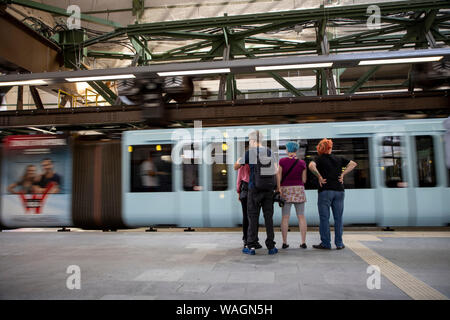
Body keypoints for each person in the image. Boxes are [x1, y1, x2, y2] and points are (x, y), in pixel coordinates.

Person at [234, 130, 278, 255]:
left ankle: (251, 246)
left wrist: (239, 160)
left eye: (249, 140)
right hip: (269, 189)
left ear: (253, 140)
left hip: (254, 189)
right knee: (268, 218)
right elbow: (275, 169)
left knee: (253, 217)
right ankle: (271, 246)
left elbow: (236, 167)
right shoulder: (269, 151)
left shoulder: (250, 153)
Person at [308, 138, 357, 250]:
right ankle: (339, 243)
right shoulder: (338, 158)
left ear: (320, 148)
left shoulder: (319, 159)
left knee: (324, 218)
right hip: (339, 191)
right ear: (330, 148)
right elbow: (353, 164)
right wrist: (343, 174)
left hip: (325, 191)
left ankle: (326, 243)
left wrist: (319, 176)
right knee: (338, 218)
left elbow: (311, 166)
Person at [277, 141, 308, 249]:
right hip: (299, 190)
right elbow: (304, 179)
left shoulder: (282, 161)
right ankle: (303, 242)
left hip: (286, 190)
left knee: (285, 217)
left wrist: (278, 188)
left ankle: (285, 242)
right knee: (301, 217)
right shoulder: (302, 163)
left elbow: (279, 176)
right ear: (296, 150)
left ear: (287, 150)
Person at [236, 164, 261, 249]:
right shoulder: (256, 162)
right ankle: (254, 240)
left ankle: (246, 239)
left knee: (246, 216)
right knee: (255, 216)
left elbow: (239, 179)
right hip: (256, 190)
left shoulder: (242, 163)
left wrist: (238, 192)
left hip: (245, 190)